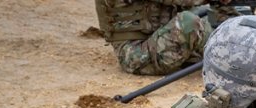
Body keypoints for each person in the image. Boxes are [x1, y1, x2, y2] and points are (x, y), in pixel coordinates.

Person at [94, 0, 240, 75]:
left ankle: (238, 55)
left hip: (158, 42)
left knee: (212, 24)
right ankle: (233, 61)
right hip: (135, 54)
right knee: (188, 22)